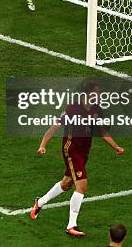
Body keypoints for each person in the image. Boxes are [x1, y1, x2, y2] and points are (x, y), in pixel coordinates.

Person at [30, 81, 124, 238]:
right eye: (96, 93)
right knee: (82, 186)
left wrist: (116, 147)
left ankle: (39, 203)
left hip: (84, 151)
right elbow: (55, 126)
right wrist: (43, 145)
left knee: (66, 183)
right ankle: (71, 225)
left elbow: (102, 132)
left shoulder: (96, 110)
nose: (99, 96)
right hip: (71, 149)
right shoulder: (72, 109)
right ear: (87, 94)